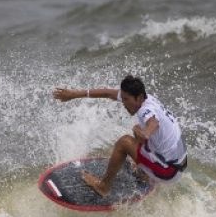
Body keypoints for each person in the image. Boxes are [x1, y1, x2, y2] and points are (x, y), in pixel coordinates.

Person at [53, 75, 187, 197]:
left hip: (168, 172)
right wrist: (73, 94)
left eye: (126, 99)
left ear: (139, 97)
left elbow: (154, 123)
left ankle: (103, 186)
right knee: (139, 136)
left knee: (125, 142)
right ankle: (145, 174)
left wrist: (144, 133)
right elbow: (107, 93)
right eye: (122, 98)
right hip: (177, 165)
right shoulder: (148, 99)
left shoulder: (145, 110)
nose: (123, 103)